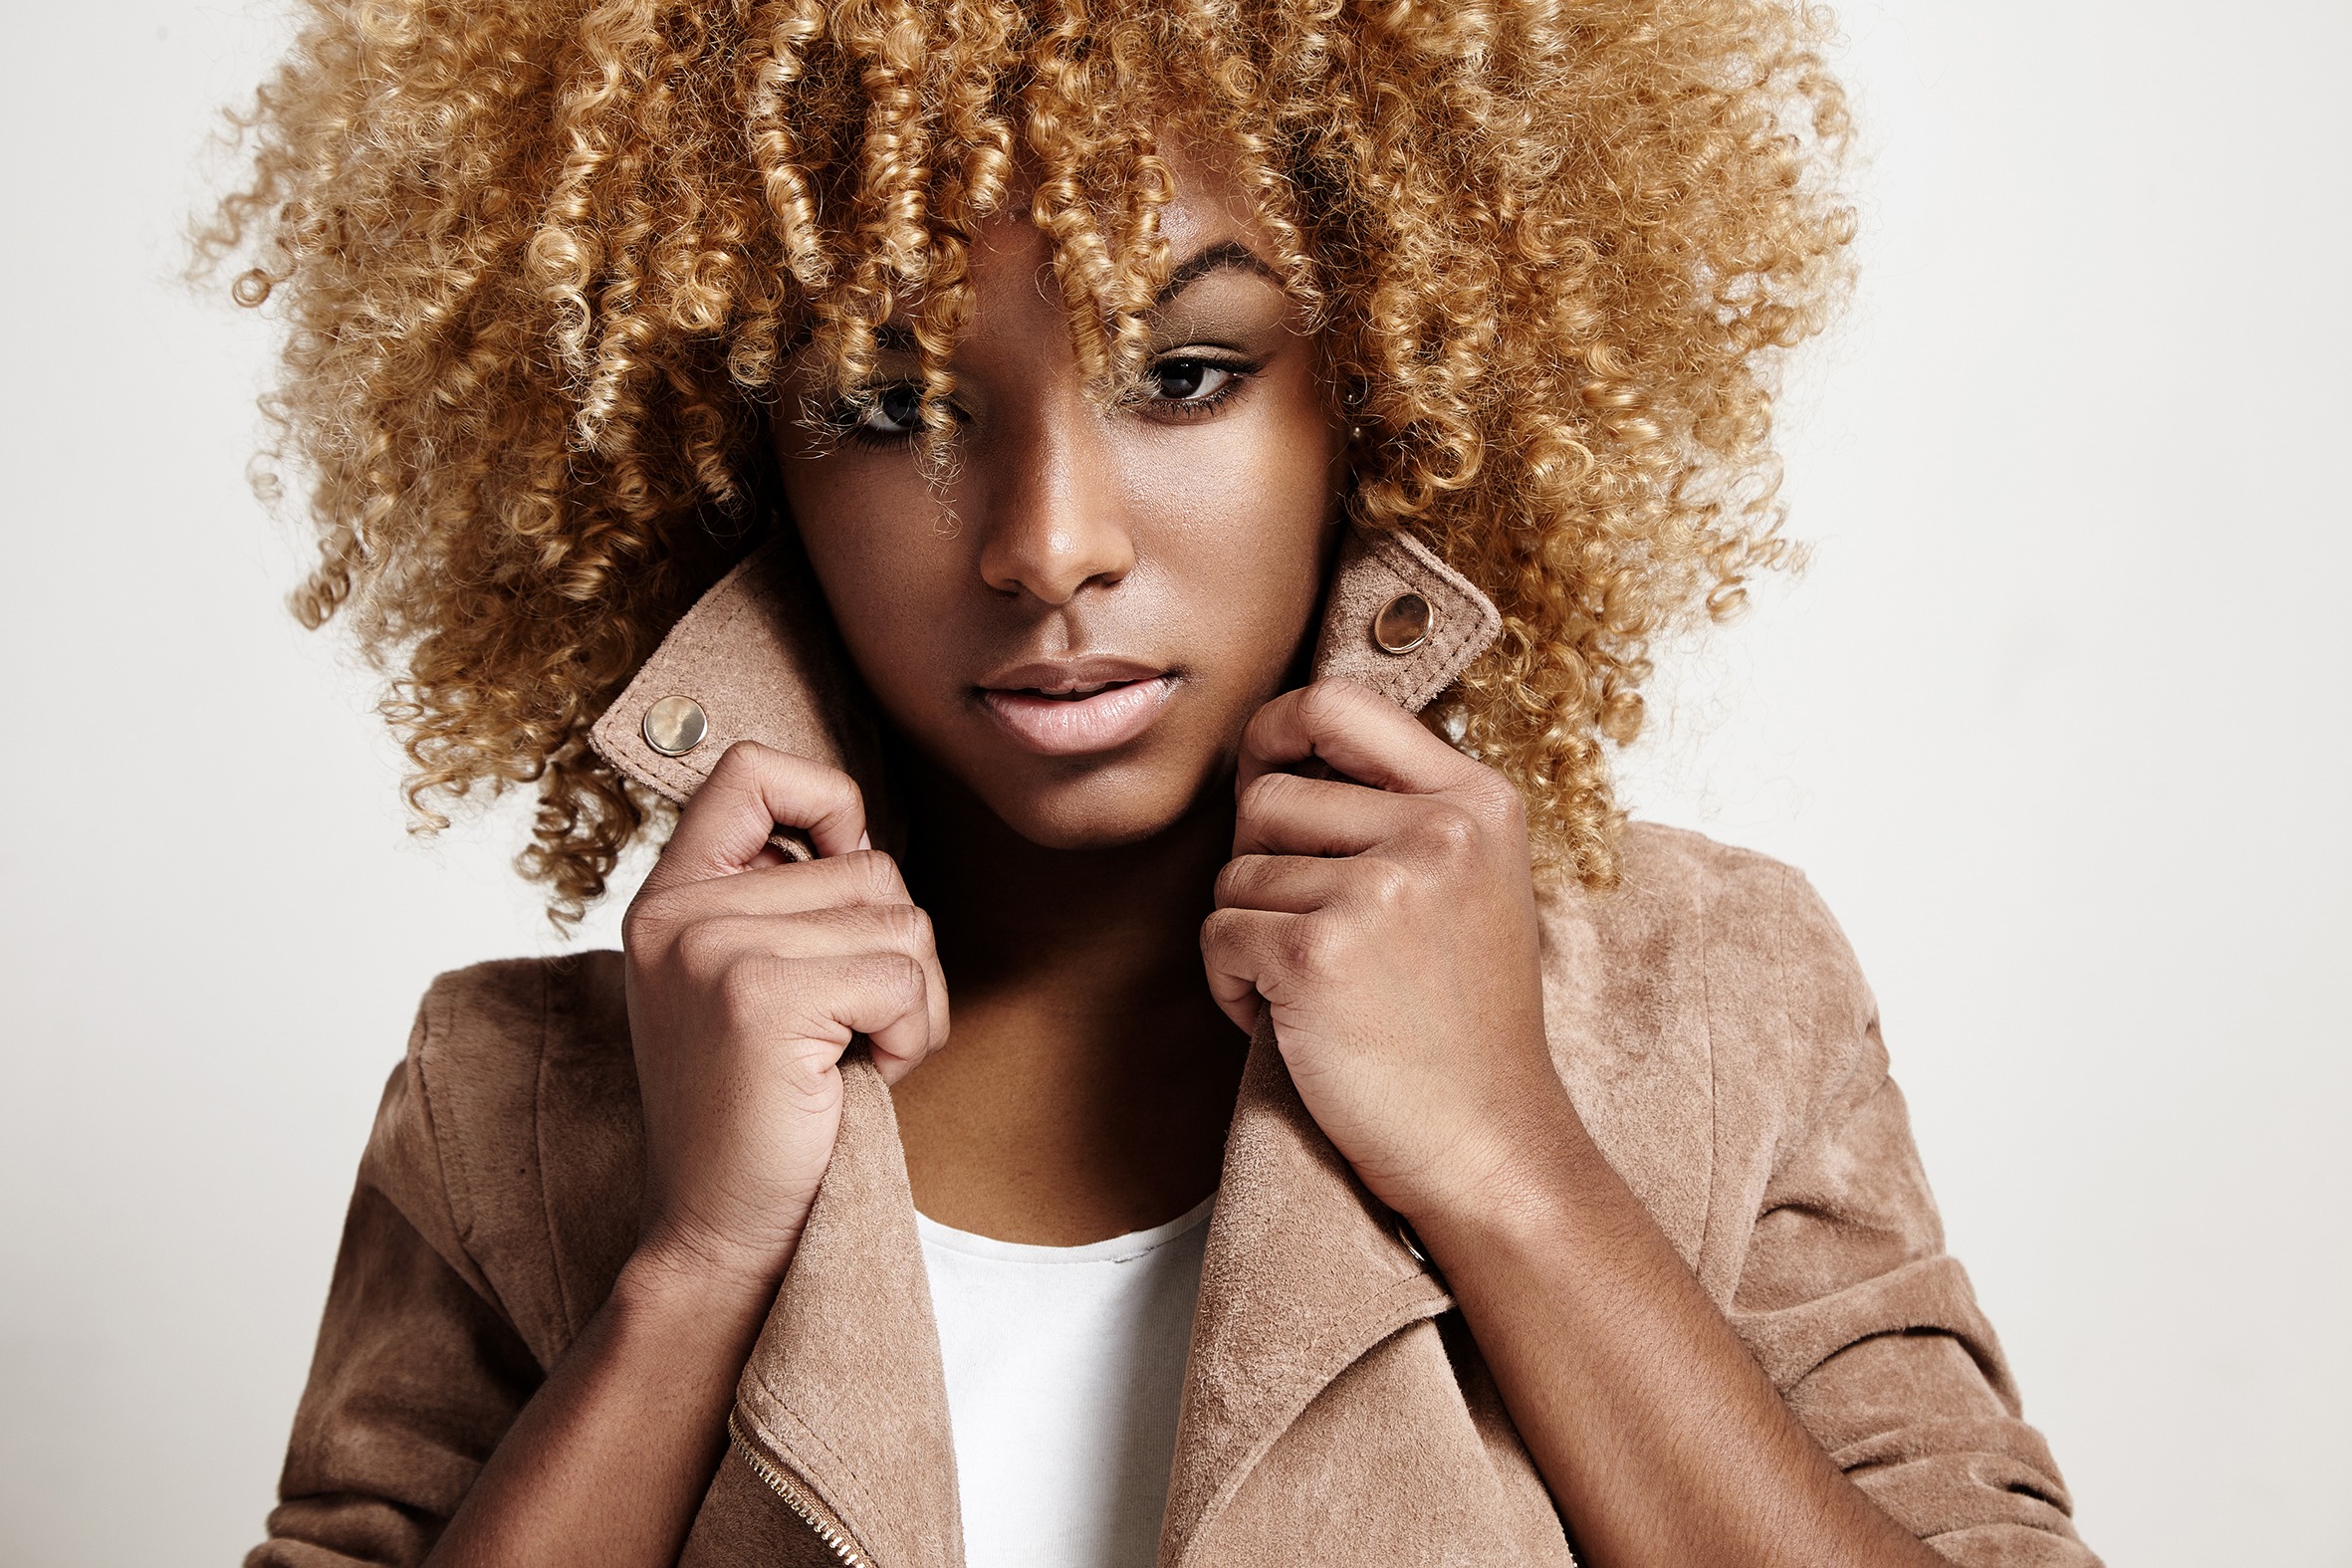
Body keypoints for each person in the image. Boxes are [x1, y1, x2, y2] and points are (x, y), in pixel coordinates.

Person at [208, 2, 2096, 1565]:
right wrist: (687, 1270)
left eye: (1185, 372)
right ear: (737, 462)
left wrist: (1511, 1165)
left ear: (1386, 379)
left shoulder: (1710, 997)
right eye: (888, 406)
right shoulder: (516, 1099)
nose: (1048, 544)